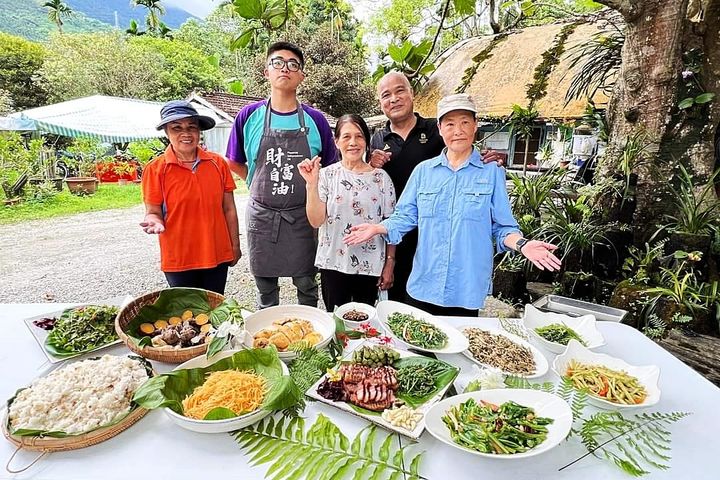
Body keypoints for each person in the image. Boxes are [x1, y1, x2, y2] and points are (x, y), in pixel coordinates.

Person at [345, 94, 561, 316]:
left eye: (465, 122)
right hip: (424, 284)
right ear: (439, 128)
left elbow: (502, 227)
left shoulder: (492, 172)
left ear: (475, 125)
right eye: (450, 124)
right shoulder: (423, 172)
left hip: (465, 289)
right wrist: (377, 228)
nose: (458, 130)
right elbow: (405, 217)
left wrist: (523, 245)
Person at [369, 71, 506, 302]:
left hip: (439, 229)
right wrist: (371, 164)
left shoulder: (435, 128)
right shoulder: (377, 138)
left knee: (449, 295)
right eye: (386, 95)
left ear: (412, 94)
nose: (394, 99)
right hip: (396, 228)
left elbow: (462, 151)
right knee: (401, 302)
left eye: (400, 91)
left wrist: (490, 160)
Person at [225, 41, 337, 309]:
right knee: (265, 288)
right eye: (277, 62)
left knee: (307, 285)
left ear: (301, 75)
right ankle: (270, 344)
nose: (284, 68)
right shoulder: (249, 116)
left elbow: (330, 167)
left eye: (293, 64)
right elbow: (234, 161)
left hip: (302, 217)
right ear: (267, 72)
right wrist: (253, 182)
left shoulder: (315, 120)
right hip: (262, 217)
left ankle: (308, 340)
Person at [141, 100, 241, 294]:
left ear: (199, 131)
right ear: (166, 133)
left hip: (216, 253)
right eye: (176, 128)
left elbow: (229, 208)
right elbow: (152, 211)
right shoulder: (155, 169)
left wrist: (234, 246)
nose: (185, 133)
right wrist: (154, 221)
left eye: (191, 127)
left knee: (214, 308)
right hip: (179, 257)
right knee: (185, 314)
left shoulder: (217, 163)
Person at [298, 114, 396, 311]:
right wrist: (311, 184)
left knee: (364, 324)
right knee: (336, 323)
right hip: (333, 263)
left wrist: (390, 263)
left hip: (370, 265)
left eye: (359, 136)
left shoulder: (381, 179)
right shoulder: (326, 175)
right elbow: (316, 221)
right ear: (336, 142)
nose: (353, 142)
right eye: (346, 137)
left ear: (367, 142)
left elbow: (391, 226)